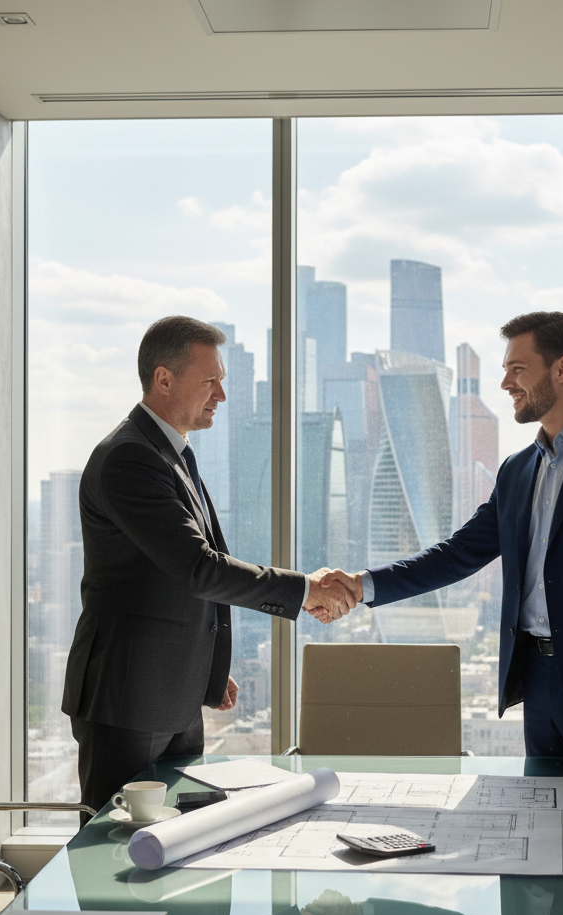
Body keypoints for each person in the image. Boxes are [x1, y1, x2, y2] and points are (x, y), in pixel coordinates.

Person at [311, 312, 563, 822]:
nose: (504, 382)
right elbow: (459, 553)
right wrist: (365, 584)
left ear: (562, 369)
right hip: (536, 681)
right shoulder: (517, 470)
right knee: (547, 829)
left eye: (517, 368)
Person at [63, 315, 356, 814]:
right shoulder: (128, 459)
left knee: (183, 843)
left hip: (174, 696)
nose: (221, 394)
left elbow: (178, 579)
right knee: (115, 853)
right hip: (129, 700)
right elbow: (199, 568)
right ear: (163, 379)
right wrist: (305, 588)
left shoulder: (171, 453)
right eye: (210, 381)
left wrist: (208, 671)